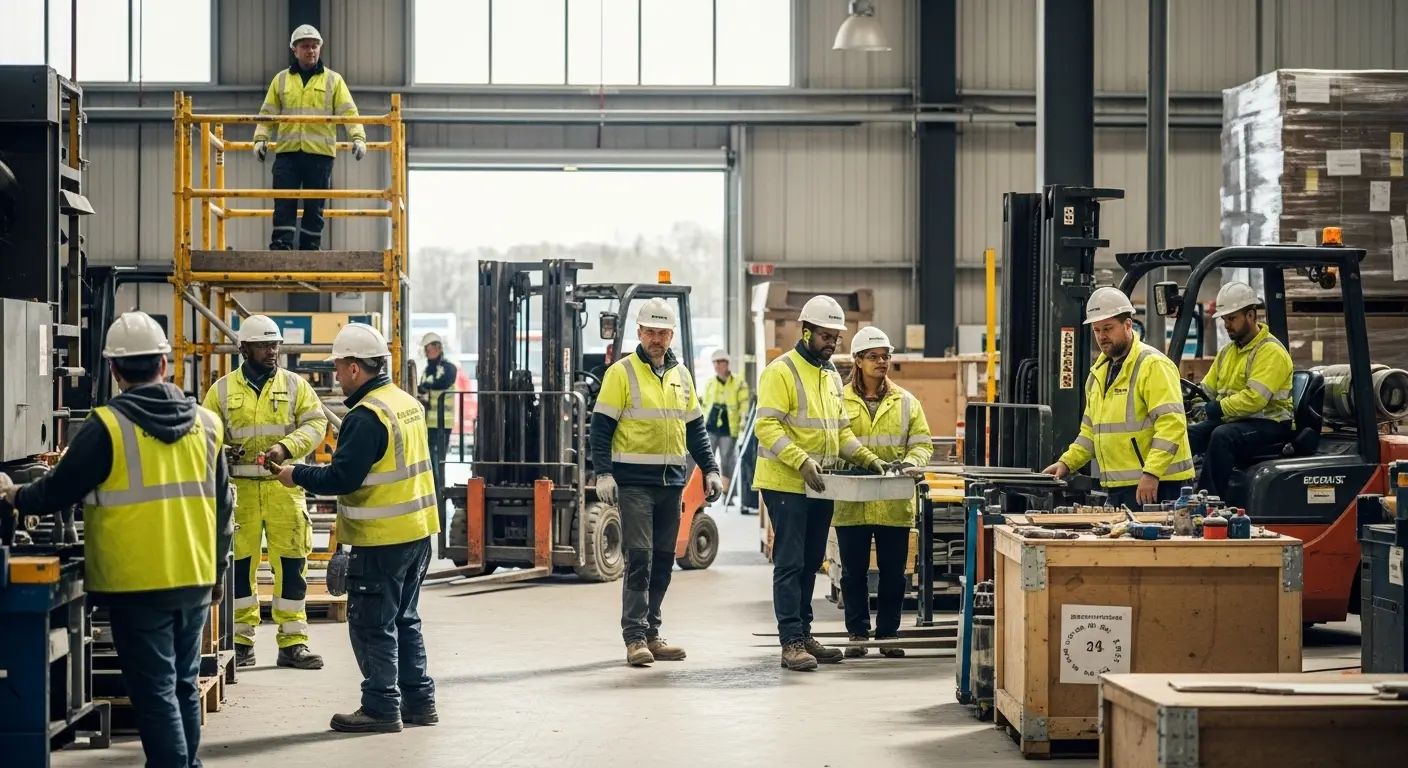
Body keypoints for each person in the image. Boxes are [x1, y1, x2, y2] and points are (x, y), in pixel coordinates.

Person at [0, 312, 232, 768]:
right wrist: (220, 570)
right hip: (196, 577)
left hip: (137, 584)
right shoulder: (206, 423)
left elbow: (57, 491)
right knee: (183, 684)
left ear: (114, 369)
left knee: (156, 691)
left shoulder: (107, 426)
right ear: (165, 364)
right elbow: (225, 508)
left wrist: (14, 495)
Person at [271, 323, 438, 733]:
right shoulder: (404, 401)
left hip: (381, 539)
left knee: (371, 623)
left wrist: (297, 474)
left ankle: (381, 707)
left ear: (353, 368)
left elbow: (342, 479)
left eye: (338, 367)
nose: (336, 376)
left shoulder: (366, 417)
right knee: (404, 619)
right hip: (417, 533)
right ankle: (419, 702)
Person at [753, 295, 887, 672]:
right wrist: (801, 460)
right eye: (826, 336)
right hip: (786, 483)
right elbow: (766, 426)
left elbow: (840, 431)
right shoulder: (781, 372)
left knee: (812, 561)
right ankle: (791, 641)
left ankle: (805, 633)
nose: (832, 343)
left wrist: (867, 458)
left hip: (820, 484)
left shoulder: (830, 375)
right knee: (791, 562)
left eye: (836, 337)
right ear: (806, 331)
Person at [591, 299, 724, 666]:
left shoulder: (681, 376)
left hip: (672, 484)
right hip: (634, 483)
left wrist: (710, 468)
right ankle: (634, 637)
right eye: (650, 331)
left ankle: (651, 632)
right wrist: (603, 472)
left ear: (671, 336)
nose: (656, 339)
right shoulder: (621, 373)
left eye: (662, 332)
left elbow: (695, 427)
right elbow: (601, 427)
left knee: (665, 559)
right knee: (640, 558)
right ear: (639, 333)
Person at [204, 315, 328, 671]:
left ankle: (293, 643)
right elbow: (206, 431)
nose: (272, 351)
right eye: (264, 345)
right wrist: (221, 451)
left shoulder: (294, 386)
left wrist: (287, 448)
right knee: (239, 567)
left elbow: (316, 422)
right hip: (238, 493)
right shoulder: (223, 390)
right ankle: (241, 642)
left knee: (292, 565)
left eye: (275, 345)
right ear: (245, 349)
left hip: (283, 489)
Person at [1042, 287, 1195, 508]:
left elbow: (1171, 424)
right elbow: (1090, 434)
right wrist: (1066, 463)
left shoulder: (1152, 365)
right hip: (1119, 487)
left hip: (1160, 485)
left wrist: (1152, 473)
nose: (1102, 336)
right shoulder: (1098, 374)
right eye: (1097, 330)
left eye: (1108, 328)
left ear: (1128, 325)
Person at [834, 327, 932, 658]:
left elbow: (922, 442)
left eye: (885, 356)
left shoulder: (906, 401)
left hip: (893, 499)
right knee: (853, 573)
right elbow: (834, 442)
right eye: (874, 357)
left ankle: (888, 634)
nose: (881, 362)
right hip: (853, 500)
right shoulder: (838, 401)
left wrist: (913, 462)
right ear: (857, 361)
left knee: (894, 573)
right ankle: (858, 634)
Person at [253, 24, 366, 251]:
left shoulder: (334, 81)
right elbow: (268, 113)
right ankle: (282, 246)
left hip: (319, 155)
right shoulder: (281, 80)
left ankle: (310, 249)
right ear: (294, 50)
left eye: (315, 46)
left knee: (315, 206)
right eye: (305, 46)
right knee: (284, 203)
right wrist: (260, 139)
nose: (311, 51)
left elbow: (348, 112)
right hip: (288, 153)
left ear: (320, 49)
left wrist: (358, 137)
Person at [1187, 281, 1294, 500]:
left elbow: (1255, 399)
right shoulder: (1227, 352)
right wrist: (1189, 402)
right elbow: (1207, 388)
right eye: (1225, 319)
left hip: (1270, 424)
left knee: (1222, 435)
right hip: (1237, 420)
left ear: (1251, 316)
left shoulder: (1270, 352)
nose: (1227, 325)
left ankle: (1206, 500)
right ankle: (1178, 490)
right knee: (1188, 434)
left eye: (1232, 318)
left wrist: (1219, 407)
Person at [416, 332, 458, 520]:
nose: (427, 352)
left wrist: (425, 390)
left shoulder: (447, 368)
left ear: (438, 348)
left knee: (437, 462)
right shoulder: (427, 369)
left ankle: (439, 498)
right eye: (425, 349)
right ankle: (432, 497)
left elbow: (440, 384)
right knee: (430, 463)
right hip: (428, 424)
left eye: (429, 349)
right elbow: (421, 387)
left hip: (442, 423)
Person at [702, 349, 751, 485]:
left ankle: (726, 491)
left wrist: (742, 425)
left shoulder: (738, 383)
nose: (717, 366)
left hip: (728, 429)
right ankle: (705, 491)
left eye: (719, 362)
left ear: (726, 363)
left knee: (726, 460)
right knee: (706, 460)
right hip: (710, 427)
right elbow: (704, 405)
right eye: (714, 363)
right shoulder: (710, 383)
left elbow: (744, 406)